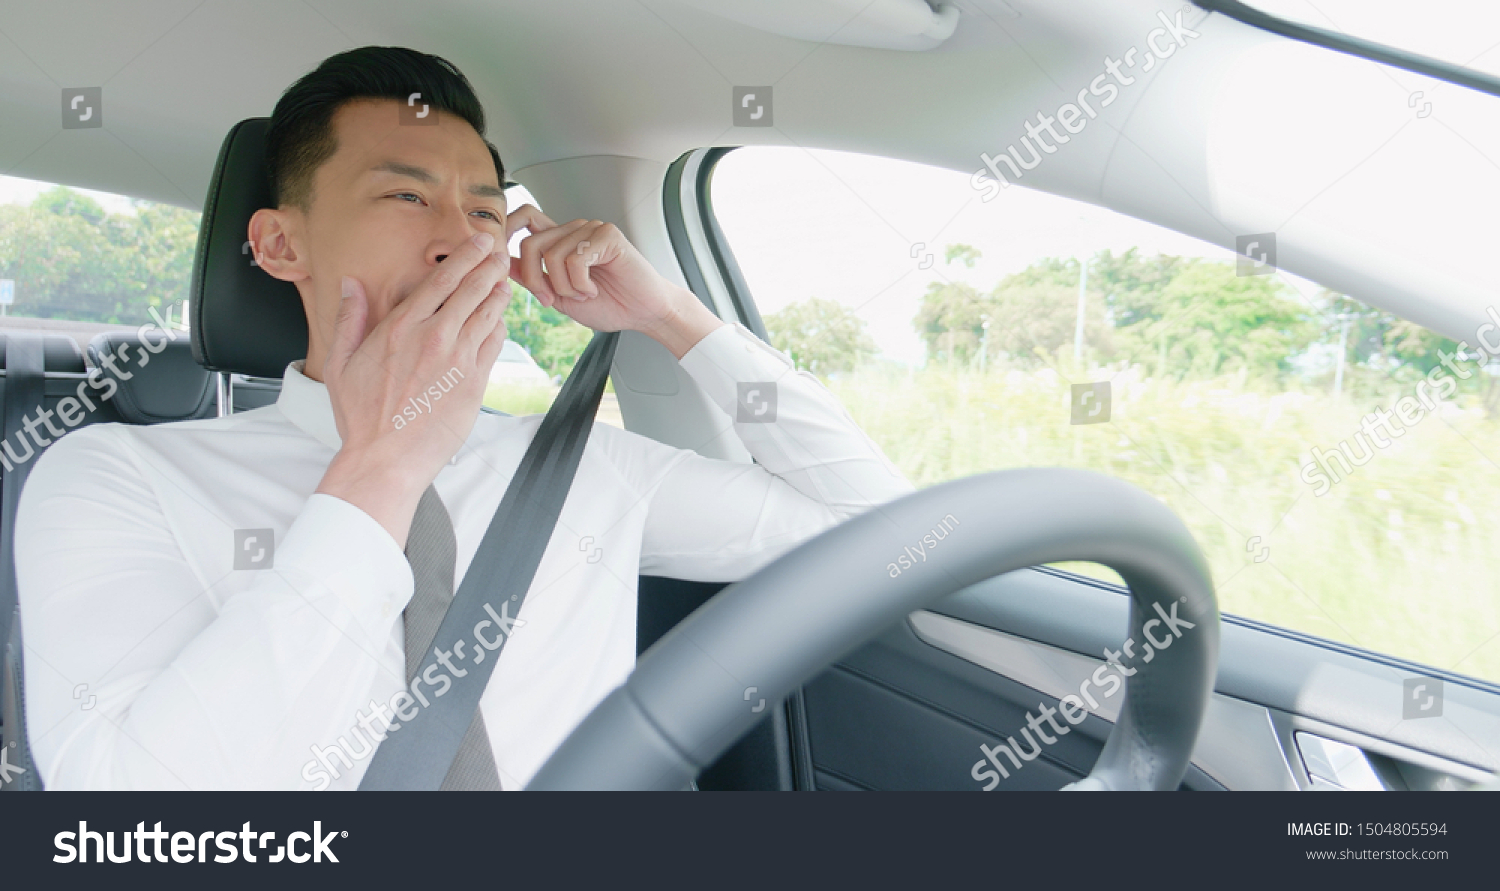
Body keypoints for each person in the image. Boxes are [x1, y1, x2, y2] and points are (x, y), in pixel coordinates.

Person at [15, 46, 912, 790]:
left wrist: (669, 314)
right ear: (281, 244)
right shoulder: (115, 477)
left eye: (485, 211)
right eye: (406, 196)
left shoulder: (585, 468)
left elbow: (879, 532)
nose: (458, 237)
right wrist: (379, 470)